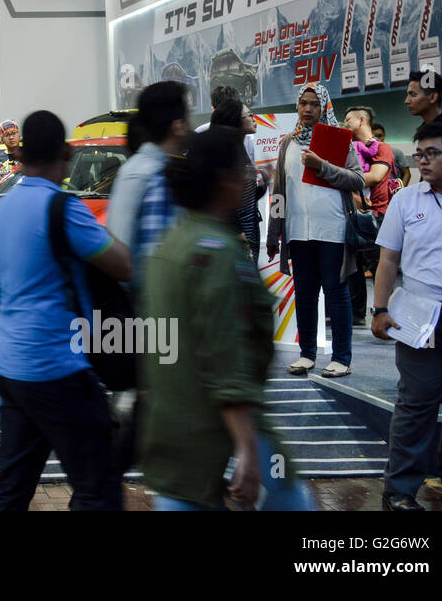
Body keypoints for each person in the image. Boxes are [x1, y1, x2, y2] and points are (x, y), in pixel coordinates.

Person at [143, 128, 316, 511]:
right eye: (242, 169)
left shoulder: (167, 247)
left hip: (175, 436)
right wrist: (247, 450)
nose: (249, 177)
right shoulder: (218, 252)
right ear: (224, 180)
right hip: (223, 434)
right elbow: (226, 358)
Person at [0, 110, 134, 511]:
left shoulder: (5, 206)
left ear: (22, 153)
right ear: (66, 153)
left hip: (9, 366)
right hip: (56, 368)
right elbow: (122, 265)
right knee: (98, 486)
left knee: (12, 487)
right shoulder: (62, 208)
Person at [373, 120, 442, 511]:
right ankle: (399, 490)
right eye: (419, 154)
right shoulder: (405, 201)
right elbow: (388, 260)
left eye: (431, 153)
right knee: (417, 401)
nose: (423, 161)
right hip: (419, 318)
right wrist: (380, 309)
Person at [265, 84, 366, 378]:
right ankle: (307, 354)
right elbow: (279, 191)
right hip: (297, 232)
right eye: (303, 103)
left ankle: (342, 358)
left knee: (336, 293)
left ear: (324, 108)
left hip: (332, 229)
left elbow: (358, 179)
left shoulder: (339, 139)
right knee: (306, 295)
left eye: (314, 104)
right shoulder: (288, 142)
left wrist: (322, 166)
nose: (308, 109)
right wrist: (273, 232)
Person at [107, 82, 189, 296]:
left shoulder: (141, 169)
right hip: (153, 309)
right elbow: (147, 263)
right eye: (187, 118)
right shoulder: (152, 174)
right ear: (177, 125)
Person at [343, 106, 396, 325]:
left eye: (348, 119)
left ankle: (387, 312)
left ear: (361, 120)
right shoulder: (348, 148)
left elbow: (375, 176)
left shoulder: (382, 148)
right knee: (352, 267)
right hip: (353, 214)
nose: (345, 123)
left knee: (379, 265)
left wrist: (339, 179)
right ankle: (357, 314)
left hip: (377, 214)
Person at [210, 99, 260, 264]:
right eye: (249, 115)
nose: (254, 119)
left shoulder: (239, 147)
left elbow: (244, 195)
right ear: (235, 121)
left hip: (249, 228)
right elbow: (222, 198)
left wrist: (263, 185)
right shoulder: (226, 154)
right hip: (237, 234)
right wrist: (238, 232)